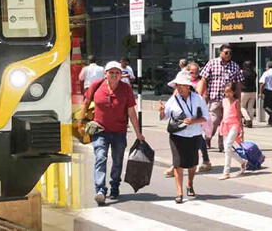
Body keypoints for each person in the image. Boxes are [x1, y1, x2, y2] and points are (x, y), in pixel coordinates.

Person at [81, 61, 145, 205]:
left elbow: (131, 112)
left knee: (117, 161)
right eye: (111, 72)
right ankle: (100, 190)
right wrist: (80, 121)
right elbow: (85, 103)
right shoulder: (96, 85)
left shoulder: (126, 88)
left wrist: (138, 133)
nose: (114, 75)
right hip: (100, 130)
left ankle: (114, 186)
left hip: (119, 132)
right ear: (105, 74)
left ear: (121, 75)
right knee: (100, 158)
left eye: (117, 73)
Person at [158, 72, 208, 204]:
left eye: (181, 86)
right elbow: (164, 117)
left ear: (188, 86)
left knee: (192, 164)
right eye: (177, 86)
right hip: (177, 135)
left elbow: (205, 117)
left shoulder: (198, 99)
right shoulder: (173, 100)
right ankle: (179, 192)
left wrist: (194, 120)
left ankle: (190, 184)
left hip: (194, 134)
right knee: (177, 163)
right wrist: (162, 111)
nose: (179, 88)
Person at [162, 64, 212, 177]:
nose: (193, 74)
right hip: (181, 124)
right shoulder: (179, 89)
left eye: (195, 72)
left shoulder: (200, 82)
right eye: (191, 72)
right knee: (179, 153)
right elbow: (167, 110)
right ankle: (176, 166)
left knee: (199, 139)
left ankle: (205, 160)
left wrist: (192, 117)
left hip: (197, 116)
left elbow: (198, 95)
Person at [199, 44, 244, 152]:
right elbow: (204, 79)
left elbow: (238, 84)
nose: (228, 55)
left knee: (225, 122)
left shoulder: (235, 66)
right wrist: (202, 95)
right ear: (221, 53)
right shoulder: (212, 63)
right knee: (214, 121)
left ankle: (222, 145)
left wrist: (238, 99)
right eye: (226, 52)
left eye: (230, 53)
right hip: (215, 98)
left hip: (229, 100)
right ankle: (208, 137)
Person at [218, 83, 247, 180]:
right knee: (228, 149)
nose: (227, 94)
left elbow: (239, 116)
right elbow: (224, 113)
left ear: (233, 92)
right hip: (225, 124)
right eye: (225, 92)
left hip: (234, 125)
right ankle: (242, 162)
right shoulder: (224, 101)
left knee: (227, 146)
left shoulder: (236, 102)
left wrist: (241, 130)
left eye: (229, 92)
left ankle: (226, 172)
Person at [240, 61, 257, 128]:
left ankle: (248, 119)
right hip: (253, 91)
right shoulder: (254, 73)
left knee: (242, 107)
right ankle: (251, 121)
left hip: (244, 91)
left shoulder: (242, 72)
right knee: (250, 107)